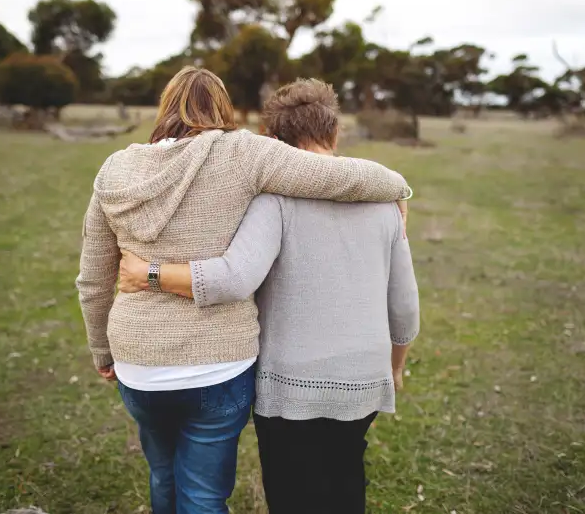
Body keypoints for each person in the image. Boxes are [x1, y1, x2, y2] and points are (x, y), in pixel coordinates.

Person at [75, 68, 411, 514]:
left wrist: (102, 350)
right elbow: (337, 178)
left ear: (164, 105)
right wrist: (398, 187)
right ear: (222, 108)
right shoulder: (244, 153)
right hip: (219, 362)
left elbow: (94, 278)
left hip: (138, 360)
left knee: (163, 474)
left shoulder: (115, 168)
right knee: (205, 495)